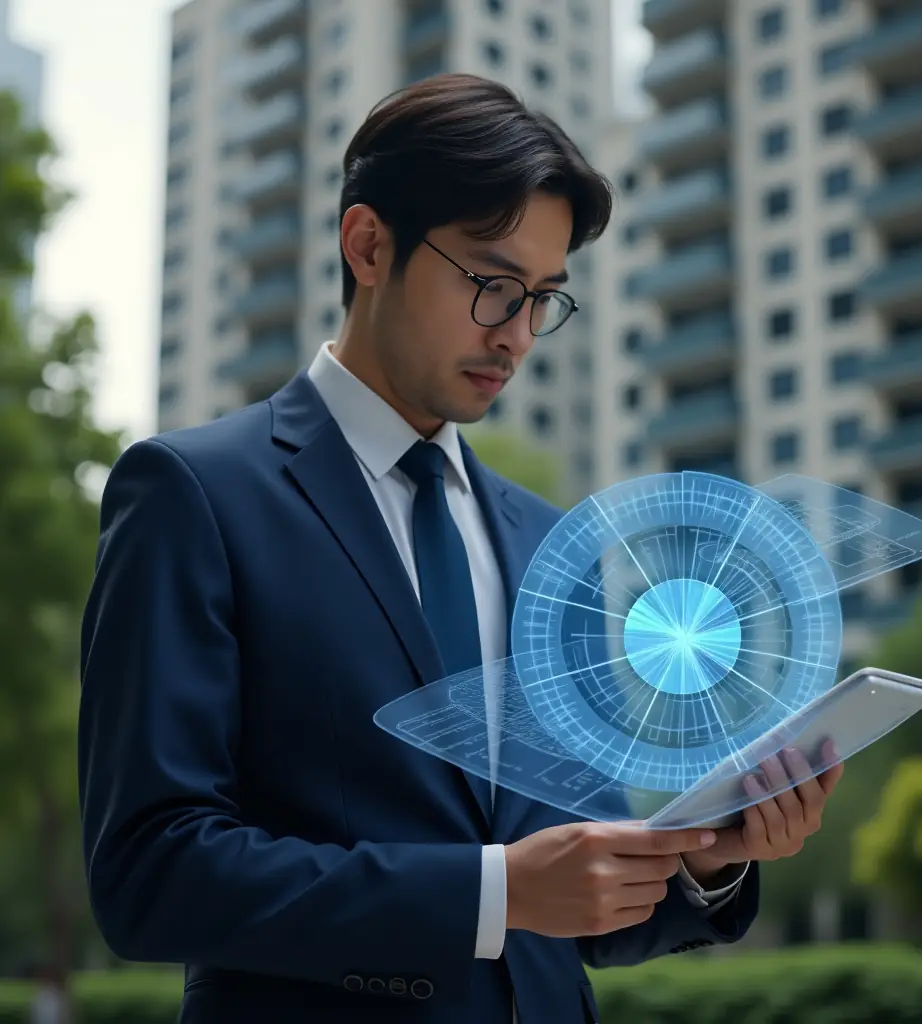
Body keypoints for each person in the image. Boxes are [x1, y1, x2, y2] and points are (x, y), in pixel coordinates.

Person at [78, 74, 843, 1024]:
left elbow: (582, 896)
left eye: (544, 299)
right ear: (368, 245)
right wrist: (494, 895)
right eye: (491, 284)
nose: (518, 336)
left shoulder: (548, 538)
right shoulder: (195, 494)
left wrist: (698, 859)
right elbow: (151, 872)